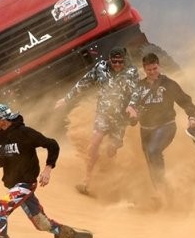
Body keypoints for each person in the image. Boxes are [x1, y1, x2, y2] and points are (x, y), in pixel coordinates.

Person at [0, 104, 93, 238]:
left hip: (25, 184)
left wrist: (48, 169)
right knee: (42, 224)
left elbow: (52, 145)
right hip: (14, 186)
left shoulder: (25, 133)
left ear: (2, 119)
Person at [55, 46, 139, 195]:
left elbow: (136, 92)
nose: (118, 65)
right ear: (109, 60)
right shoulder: (100, 68)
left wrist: (132, 107)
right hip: (104, 114)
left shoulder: (131, 72)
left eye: (121, 62)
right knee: (93, 144)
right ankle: (86, 181)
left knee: (111, 151)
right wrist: (66, 99)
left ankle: (112, 179)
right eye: (115, 62)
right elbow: (84, 82)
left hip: (120, 119)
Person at [136, 52, 195, 201]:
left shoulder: (169, 84)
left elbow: (186, 101)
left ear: (159, 66)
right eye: (149, 70)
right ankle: (162, 194)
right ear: (144, 69)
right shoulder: (139, 86)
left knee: (153, 150)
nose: (152, 72)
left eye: (155, 68)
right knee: (149, 158)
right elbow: (130, 106)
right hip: (145, 129)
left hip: (166, 125)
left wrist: (192, 119)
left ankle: (162, 192)